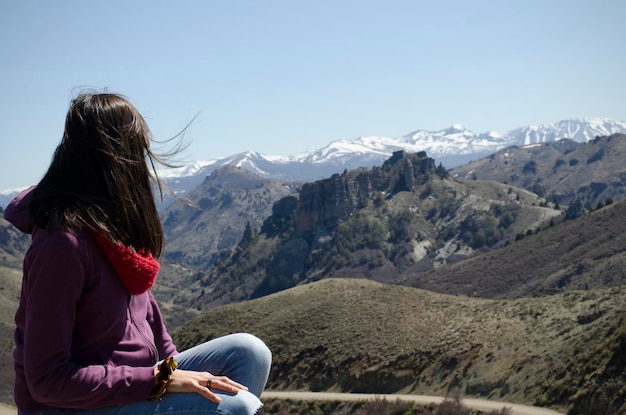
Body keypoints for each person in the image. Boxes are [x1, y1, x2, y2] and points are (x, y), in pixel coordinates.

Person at [4, 92, 271, 415]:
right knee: (235, 407)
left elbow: (154, 328)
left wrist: (172, 371)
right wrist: (157, 380)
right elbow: (48, 381)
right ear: (115, 159)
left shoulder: (113, 231)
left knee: (250, 352)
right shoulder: (61, 245)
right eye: (138, 152)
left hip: (136, 383)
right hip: (73, 407)